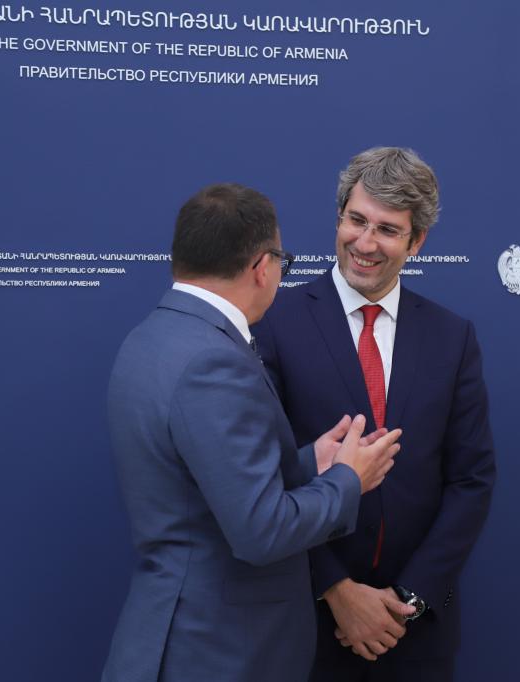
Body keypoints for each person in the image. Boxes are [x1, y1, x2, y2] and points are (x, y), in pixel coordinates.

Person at [101, 183, 405, 682]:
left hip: (180, 636)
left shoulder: (153, 337)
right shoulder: (214, 360)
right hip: (217, 651)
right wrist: (348, 479)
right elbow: (262, 532)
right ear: (263, 267)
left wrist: (309, 463)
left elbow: (201, 484)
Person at [253, 147, 497, 682]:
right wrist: (336, 590)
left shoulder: (452, 337)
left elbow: (471, 480)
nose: (365, 243)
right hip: (304, 626)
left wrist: (408, 599)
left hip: (414, 634)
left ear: (417, 241)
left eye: (387, 229)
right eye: (356, 220)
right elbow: (260, 476)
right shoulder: (274, 322)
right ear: (339, 217)